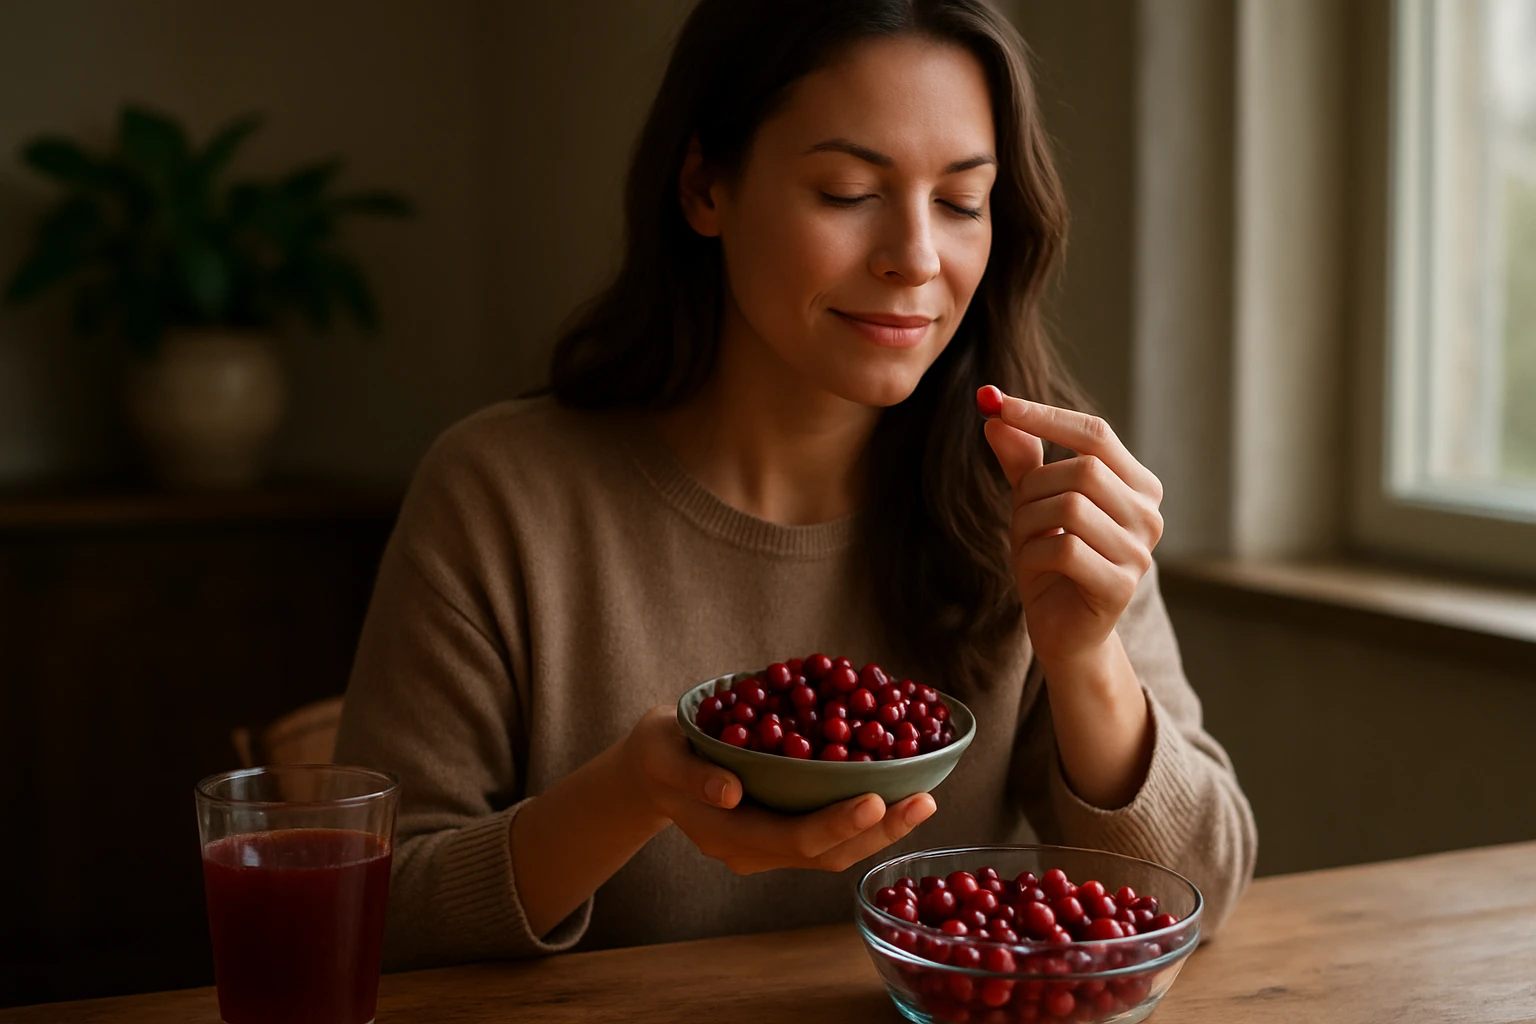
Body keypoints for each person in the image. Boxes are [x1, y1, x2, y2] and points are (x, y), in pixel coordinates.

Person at [334, 0, 1257, 971]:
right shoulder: (501, 495)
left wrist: (1086, 660)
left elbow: (1200, 891)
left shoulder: (1036, 497)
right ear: (704, 187)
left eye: (961, 201)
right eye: (849, 190)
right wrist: (635, 791)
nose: (916, 256)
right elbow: (375, 911)